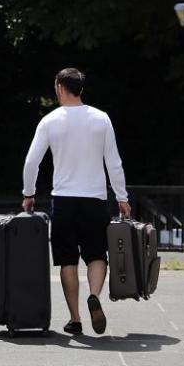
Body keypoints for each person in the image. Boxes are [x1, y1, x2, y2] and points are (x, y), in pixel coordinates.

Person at [22, 68, 130, 336]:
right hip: (95, 198)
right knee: (97, 254)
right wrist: (122, 197)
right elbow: (113, 163)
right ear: (81, 89)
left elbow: (31, 162)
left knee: (67, 259)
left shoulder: (50, 121)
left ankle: (75, 318)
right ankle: (94, 295)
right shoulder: (101, 119)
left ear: (60, 87)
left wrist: (28, 193)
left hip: (64, 200)